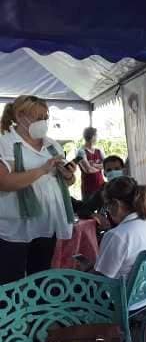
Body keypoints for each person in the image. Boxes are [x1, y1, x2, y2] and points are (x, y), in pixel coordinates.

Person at [0, 95, 76, 284]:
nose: (43, 122)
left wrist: (68, 175)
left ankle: (38, 312)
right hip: (15, 226)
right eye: (37, 117)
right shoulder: (5, 141)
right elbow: (4, 182)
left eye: (45, 117)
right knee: (10, 279)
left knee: (40, 276)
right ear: (20, 116)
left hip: (46, 222)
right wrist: (42, 170)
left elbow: (67, 182)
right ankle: (11, 313)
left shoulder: (51, 143)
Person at [93, 176, 146, 309]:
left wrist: (87, 270)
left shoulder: (118, 236)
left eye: (107, 206)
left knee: (65, 288)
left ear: (116, 205)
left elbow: (101, 281)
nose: (107, 211)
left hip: (121, 301)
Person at [74, 155, 126, 229]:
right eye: (109, 170)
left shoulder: (132, 188)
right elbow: (84, 209)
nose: (113, 172)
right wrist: (94, 215)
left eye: (117, 169)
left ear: (123, 170)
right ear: (104, 173)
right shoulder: (103, 190)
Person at [77, 127, 105, 200]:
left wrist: (94, 165)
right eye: (96, 136)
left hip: (101, 186)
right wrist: (100, 167)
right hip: (88, 189)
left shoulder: (99, 150)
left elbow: (106, 165)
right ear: (92, 137)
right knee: (87, 210)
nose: (97, 138)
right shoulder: (81, 152)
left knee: (103, 210)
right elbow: (88, 170)